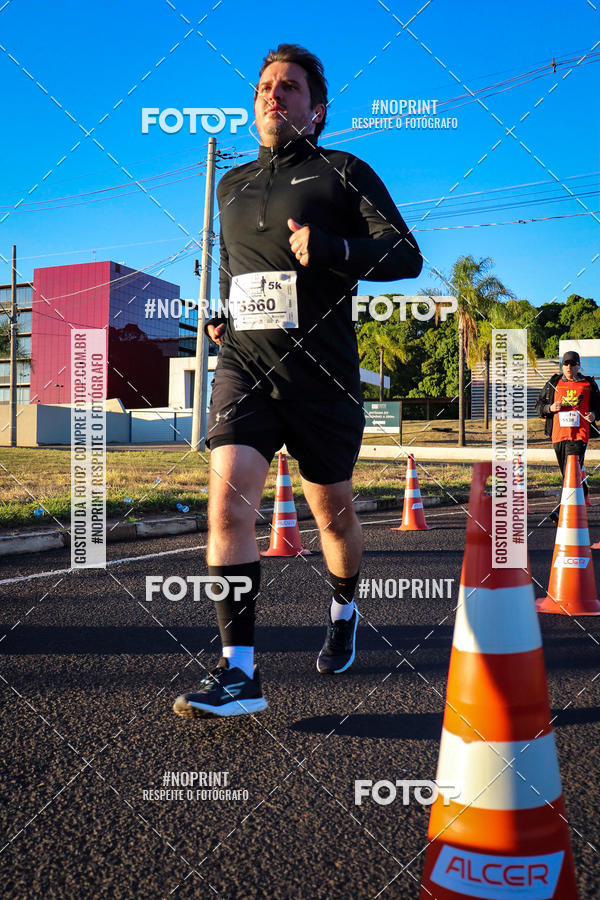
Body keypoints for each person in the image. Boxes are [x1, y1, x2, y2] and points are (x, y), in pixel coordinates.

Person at [173, 43, 422, 719]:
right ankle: (239, 672)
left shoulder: (344, 172)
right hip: (245, 370)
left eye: (288, 87)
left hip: (323, 379)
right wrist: (223, 315)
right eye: (264, 86)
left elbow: (406, 254)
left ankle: (344, 607)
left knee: (332, 516)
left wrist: (335, 248)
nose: (272, 95)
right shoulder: (230, 187)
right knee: (228, 509)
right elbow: (233, 271)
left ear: (317, 110)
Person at [535, 350, 600, 523]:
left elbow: (598, 407)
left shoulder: (588, 384)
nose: (569, 367)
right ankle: (583, 485)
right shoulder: (554, 383)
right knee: (568, 474)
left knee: (570, 474)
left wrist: (594, 414)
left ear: (579, 365)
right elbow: (539, 406)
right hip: (558, 435)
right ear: (562, 366)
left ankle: (559, 512)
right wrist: (550, 408)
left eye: (572, 364)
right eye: (566, 364)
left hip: (579, 435)